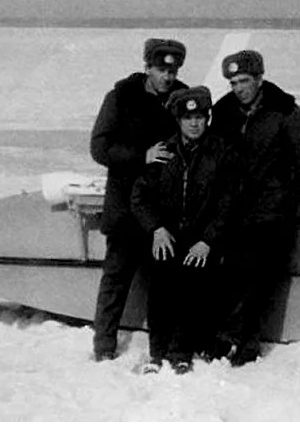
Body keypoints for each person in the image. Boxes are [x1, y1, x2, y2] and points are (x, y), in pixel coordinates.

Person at [211, 49, 300, 365]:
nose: (238, 88)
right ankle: (226, 336)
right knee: (230, 275)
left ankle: (247, 342)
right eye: (233, 83)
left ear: (259, 79)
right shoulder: (224, 112)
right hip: (233, 210)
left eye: (244, 81)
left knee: (256, 279)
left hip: (272, 211)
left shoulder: (285, 112)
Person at [87, 37, 186, 361]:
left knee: (164, 285)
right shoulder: (121, 97)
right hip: (126, 208)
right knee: (116, 281)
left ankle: (162, 350)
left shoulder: (182, 97)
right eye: (161, 70)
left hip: (162, 211)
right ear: (147, 67)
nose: (168, 78)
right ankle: (103, 348)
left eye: (172, 71)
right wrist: (140, 156)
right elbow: (100, 147)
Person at [131, 85, 242, 374]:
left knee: (191, 288)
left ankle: (180, 353)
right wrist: (155, 228)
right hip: (167, 235)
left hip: (202, 240)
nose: (194, 123)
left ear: (207, 119)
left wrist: (208, 240)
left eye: (200, 117)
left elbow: (228, 203)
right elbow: (140, 196)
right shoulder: (164, 152)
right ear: (179, 120)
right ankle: (157, 353)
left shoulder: (221, 153)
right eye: (188, 118)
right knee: (160, 288)